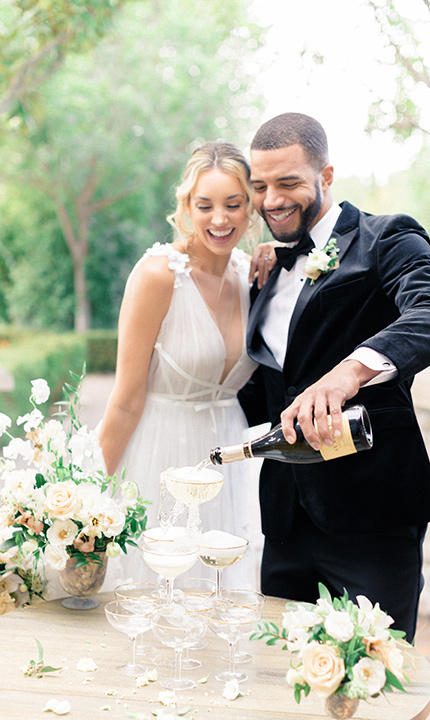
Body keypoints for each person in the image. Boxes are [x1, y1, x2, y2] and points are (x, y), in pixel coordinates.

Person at [241, 112, 430, 642]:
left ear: (325, 176)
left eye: (289, 183)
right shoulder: (268, 266)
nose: (271, 199)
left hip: (373, 514)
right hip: (284, 519)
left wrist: (350, 371)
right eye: (260, 186)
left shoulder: (387, 237)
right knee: (284, 679)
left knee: (378, 678)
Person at [99, 140, 267, 587]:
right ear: (186, 207)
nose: (219, 218)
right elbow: (126, 400)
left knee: (220, 594)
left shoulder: (254, 275)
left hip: (227, 461)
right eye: (205, 204)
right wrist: (91, 496)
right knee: (157, 591)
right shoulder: (159, 276)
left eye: (234, 204)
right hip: (160, 453)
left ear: (250, 208)